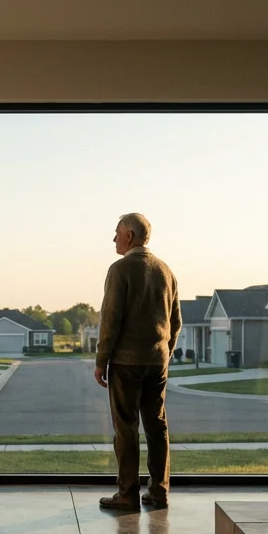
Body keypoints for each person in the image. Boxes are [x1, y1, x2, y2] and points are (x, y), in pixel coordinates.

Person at [94, 213, 182, 510]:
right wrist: (165, 353)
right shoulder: (165, 271)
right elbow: (176, 321)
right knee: (157, 427)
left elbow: (110, 320)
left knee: (126, 428)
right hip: (157, 363)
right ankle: (159, 492)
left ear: (129, 235)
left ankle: (127, 494)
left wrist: (101, 360)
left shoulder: (120, 269)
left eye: (117, 232)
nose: (114, 238)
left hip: (126, 363)